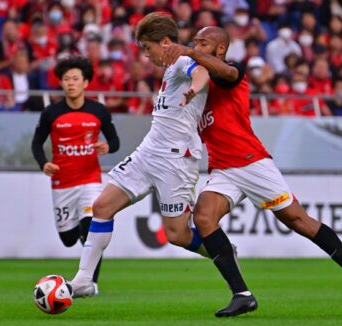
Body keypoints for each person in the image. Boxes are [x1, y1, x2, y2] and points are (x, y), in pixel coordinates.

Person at [162, 26, 342, 317]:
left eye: (203, 43)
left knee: (300, 222)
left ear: (220, 49)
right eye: (194, 42)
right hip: (223, 168)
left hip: (251, 162)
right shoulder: (198, 78)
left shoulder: (232, 71)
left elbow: (228, 74)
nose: (196, 46)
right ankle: (242, 294)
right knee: (204, 218)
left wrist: (190, 53)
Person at [68, 12, 211, 297]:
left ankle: (221, 251)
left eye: (148, 48)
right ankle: (83, 280)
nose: (146, 56)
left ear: (166, 42)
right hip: (149, 152)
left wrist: (194, 89)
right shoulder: (171, 70)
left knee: (178, 235)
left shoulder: (183, 61)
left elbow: (202, 72)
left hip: (174, 160)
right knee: (102, 206)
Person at [31, 56, 120, 294]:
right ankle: (86, 265)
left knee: (93, 225)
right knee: (69, 239)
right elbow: (36, 145)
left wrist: (107, 147)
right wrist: (44, 164)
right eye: (66, 79)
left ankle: (89, 283)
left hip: (90, 180)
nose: (71, 83)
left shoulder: (98, 111)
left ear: (86, 82)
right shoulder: (51, 113)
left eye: (75, 79)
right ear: (61, 83)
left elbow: (115, 141)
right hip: (62, 183)